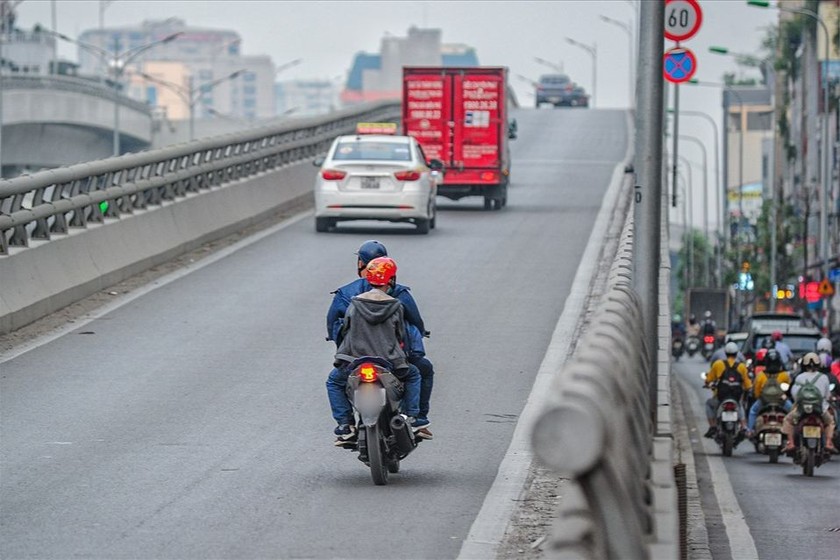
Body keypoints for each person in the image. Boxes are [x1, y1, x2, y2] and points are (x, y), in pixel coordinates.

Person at [326, 241, 434, 438]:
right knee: (419, 372)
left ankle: (344, 424)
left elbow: (337, 326)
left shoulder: (350, 298)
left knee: (334, 381)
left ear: (362, 264)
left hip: (355, 359)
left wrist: (345, 351)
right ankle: (416, 419)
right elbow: (408, 329)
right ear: (390, 276)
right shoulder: (398, 299)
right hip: (391, 361)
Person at [781, 352, 837, 453]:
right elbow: (827, 395)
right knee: (830, 422)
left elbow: (795, 394)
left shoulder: (800, 377)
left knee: (788, 421)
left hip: (801, 409)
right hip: (820, 409)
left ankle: (790, 443)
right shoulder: (823, 377)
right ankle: (829, 442)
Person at [703, 342, 752, 438]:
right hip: (735, 397)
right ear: (736, 353)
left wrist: (707, 383)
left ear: (725, 353)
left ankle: (712, 426)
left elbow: (709, 379)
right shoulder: (741, 366)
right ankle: (743, 426)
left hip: (721, 397)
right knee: (740, 405)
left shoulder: (718, 364)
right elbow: (747, 384)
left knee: (709, 404)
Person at [746, 349, 792, 436]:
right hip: (781, 401)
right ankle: (794, 433)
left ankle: (750, 430)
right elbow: (788, 389)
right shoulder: (784, 375)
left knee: (753, 411)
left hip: (764, 401)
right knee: (793, 412)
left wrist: (760, 397)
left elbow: (756, 392)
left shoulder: (761, 375)